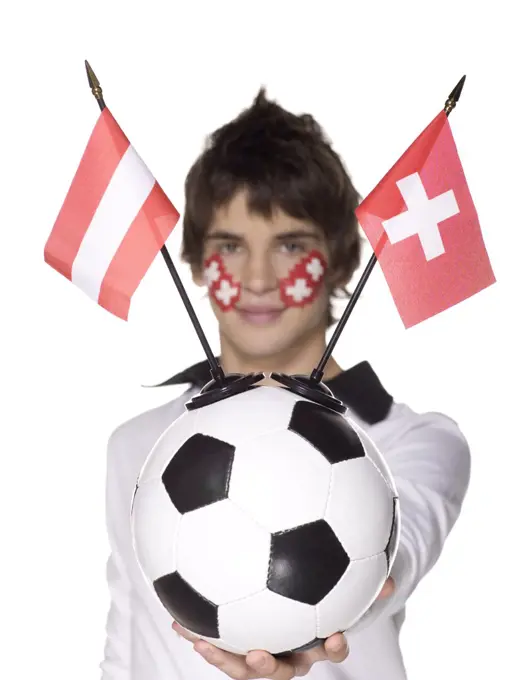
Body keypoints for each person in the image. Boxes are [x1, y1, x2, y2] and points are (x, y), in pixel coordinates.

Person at [100, 89, 471, 680]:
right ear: (196, 263)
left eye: (290, 245)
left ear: (341, 260)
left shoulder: (414, 443)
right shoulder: (138, 445)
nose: (257, 278)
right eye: (230, 246)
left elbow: (405, 545)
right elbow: (128, 647)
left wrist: (338, 617)